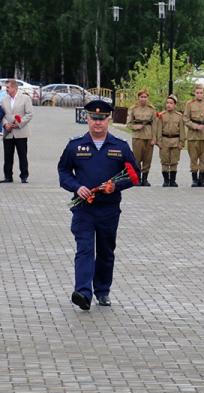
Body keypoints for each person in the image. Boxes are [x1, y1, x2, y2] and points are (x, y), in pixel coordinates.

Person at [58, 100, 140, 310]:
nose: (97, 123)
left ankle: (102, 290)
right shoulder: (75, 145)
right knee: (84, 249)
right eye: (94, 118)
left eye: (102, 119)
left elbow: (134, 175)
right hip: (84, 208)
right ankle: (83, 293)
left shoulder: (120, 147)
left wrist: (116, 185)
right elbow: (64, 172)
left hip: (108, 209)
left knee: (105, 250)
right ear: (87, 119)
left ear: (109, 119)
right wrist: (77, 187)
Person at [1, 79, 33, 183]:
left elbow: (29, 114)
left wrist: (18, 123)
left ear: (14, 88)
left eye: (8, 87)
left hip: (21, 132)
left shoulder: (25, 98)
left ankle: (24, 176)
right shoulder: (4, 99)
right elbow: (2, 114)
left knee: (22, 155)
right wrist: (6, 124)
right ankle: (8, 176)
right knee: (8, 156)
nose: (6, 89)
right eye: (6, 87)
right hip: (8, 132)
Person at [126, 88, 157, 186]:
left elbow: (155, 125)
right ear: (138, 98)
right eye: (141, 97)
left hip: (148, 137)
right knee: (137, 159)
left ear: (148, 98)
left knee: (147, 159)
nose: (143, 99)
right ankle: (138, 179)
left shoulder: (152, 109)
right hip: (137, 137)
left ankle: (145, 179)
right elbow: (128, 124)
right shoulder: (133, 109)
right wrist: (136, 127)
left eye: (145, 97)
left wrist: (154, 138)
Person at [183, 84, 204, 187]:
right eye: (197, 93)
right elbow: (185, 119)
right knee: (193, 158)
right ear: (194, 93)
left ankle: (202, 179)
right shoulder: (189, 104)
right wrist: (195, 126)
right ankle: (194, 180)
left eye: (201, 93)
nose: (199, 95)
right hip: (193, 135)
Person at [157, 94, 186, 187]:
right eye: (167, 103)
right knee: (164, 161)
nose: (169, 105)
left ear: (175, 105)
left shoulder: (179, 116)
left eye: (171, 103)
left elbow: (182, 130)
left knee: (174, 161)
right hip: (164, 141)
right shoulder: (162, 115)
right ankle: (166, 180)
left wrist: (182, 142)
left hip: (175, 141)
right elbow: (159, 130)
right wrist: (159, 142)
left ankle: (172, 181)